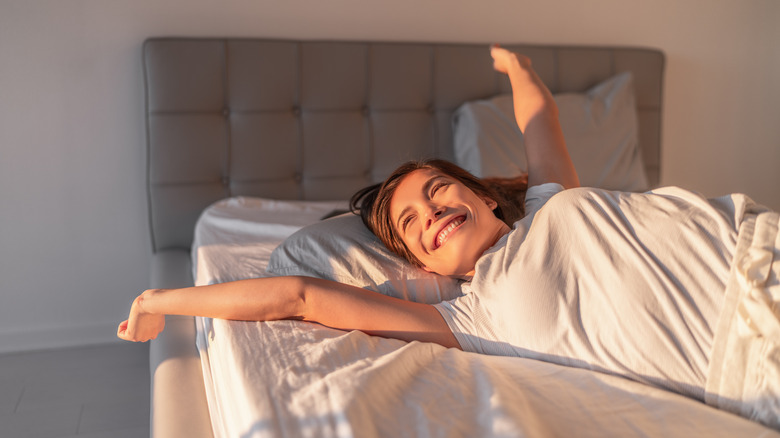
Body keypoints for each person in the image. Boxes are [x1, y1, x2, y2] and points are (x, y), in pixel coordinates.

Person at [118, 46, 780, 429]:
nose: (429, 212)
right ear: (419, 262)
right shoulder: (469, 315)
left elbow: (539, 116)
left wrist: (516, 67)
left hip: (756, 240)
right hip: (752, 351)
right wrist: (158, 301)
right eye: (410, 225)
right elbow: (299, 294)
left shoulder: (550, 200)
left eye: (437, 190)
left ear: (485, 195)